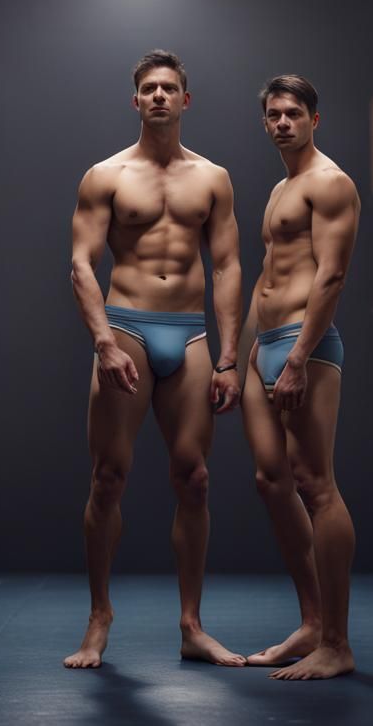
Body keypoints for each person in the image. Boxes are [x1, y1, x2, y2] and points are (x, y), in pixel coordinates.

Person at [64, 50, 245, 670]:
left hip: (189, 335)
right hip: (127, 327)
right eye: (149, 88)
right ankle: (98, 617)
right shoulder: (106, 175)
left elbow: (226, 265)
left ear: (186, 101)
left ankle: (192, 625)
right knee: (109, 478)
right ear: (135, 100)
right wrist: (103, 341)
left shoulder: (212, 178)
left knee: (194, 479)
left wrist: (228, 357)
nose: (160, 96)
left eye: (170, 88)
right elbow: (82, 263)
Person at [240, 74, 360, 680]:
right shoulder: (280, 187)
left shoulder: (329, 183)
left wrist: (294, 360)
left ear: (316, 118)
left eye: (293, 113)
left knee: (316, 484)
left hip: (303, 348)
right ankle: (312, 623)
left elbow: (330, 277)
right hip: (264, 343)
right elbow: (266, 279)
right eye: (273, 114)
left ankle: (337, 644)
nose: (283, 122)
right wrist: (235, 364)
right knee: (270, 479)